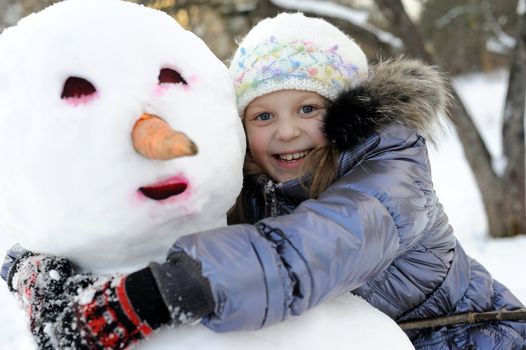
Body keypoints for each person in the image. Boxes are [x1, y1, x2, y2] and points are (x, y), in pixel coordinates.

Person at [3, 12, 525, 350]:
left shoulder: (389, 174)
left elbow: (314, 249)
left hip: (479, 336)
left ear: (347, 115)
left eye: (307, 107)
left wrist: (158, 293)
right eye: (263, 116)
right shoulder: (252, 189)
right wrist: (35, 267)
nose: (288, 131)